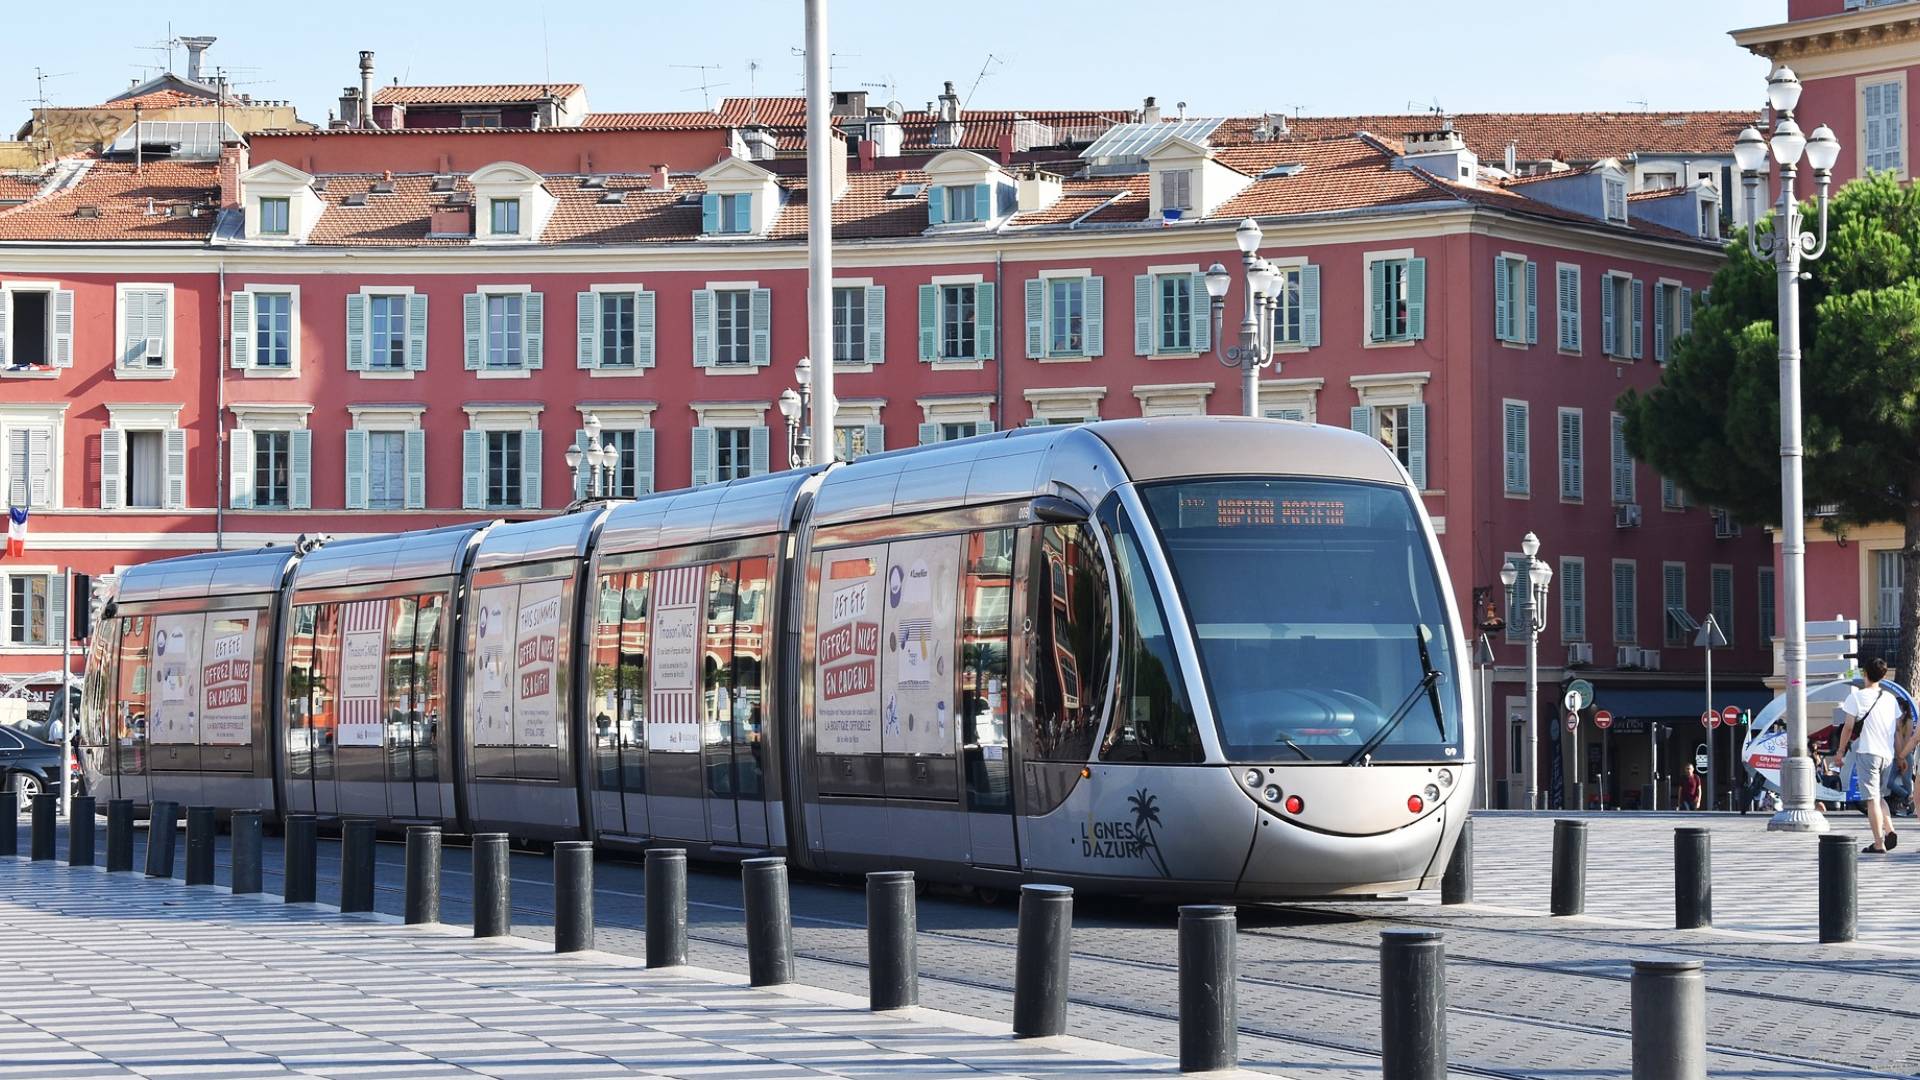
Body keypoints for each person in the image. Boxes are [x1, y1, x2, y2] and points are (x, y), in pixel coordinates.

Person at [1835, 657, 1902, 854]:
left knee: (1871, 800)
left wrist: (1840, 751)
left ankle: (1878, 843)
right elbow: (1896, 730)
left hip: (1868, 753)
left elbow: (1848, 727)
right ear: (1883, 676)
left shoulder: (1856, 697)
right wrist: (1899, 756)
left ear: (1865, 673)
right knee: (1879, 796)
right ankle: (1889, 829)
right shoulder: (1890, 698)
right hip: (1887, 755)